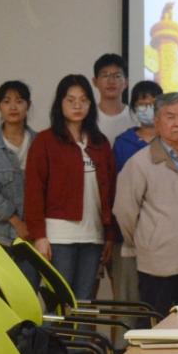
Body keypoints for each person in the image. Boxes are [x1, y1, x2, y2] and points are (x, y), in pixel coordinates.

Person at [113, 93, 178, 316]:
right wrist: (145, 242)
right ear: (157, 122)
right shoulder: (140, 163)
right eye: (170, 117)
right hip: (157, 265)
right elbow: (124, 212)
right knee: (158, 326)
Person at [24, 75, 116, 300]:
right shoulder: (45, 141)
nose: (77, 106)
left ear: (90, 104)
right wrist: (39, 236)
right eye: (71, 100)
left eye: (83, 100)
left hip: (93, 235)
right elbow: (34, 191)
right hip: (58, 236)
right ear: (60, 103)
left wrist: (109, 234)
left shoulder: (100, 142)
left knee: (84, 301)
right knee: (61, 301)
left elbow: (110, 192)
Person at [0, 81, 40, 287]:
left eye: (19, 101)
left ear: (28, 105)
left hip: (31, 237)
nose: (13, 107)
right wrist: (15, 220)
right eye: (7, 101)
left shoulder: (40, 142)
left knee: (27, 295)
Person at [110, 79, 163, 303]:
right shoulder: (123, 143)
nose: (148, 109)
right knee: (130, 297)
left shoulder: (172, 142)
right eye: (142, 104)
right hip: (128, 234)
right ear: (133, 108)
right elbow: (114, 189)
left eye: (153, 103)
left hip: (163, 234)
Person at [92, 53, 137, 146]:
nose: (111, 81)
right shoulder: (88, 116)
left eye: (117, 76)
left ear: (126, 82)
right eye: (105, 76)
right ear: (95, 82)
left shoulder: (136, 117)